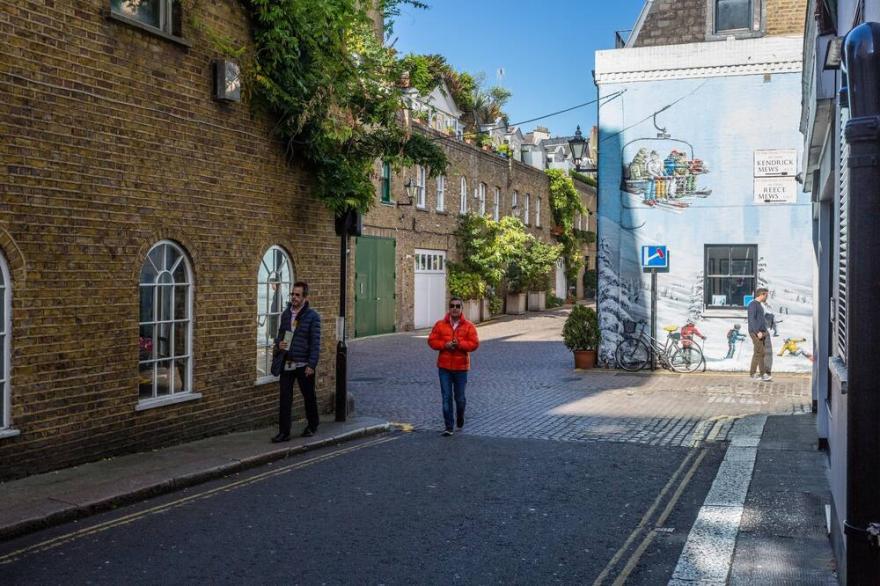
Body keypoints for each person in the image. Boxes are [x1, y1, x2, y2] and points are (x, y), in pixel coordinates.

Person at [271, 281, 322, 442]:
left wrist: (311, 365)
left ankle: (312, 425)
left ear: (305, 297)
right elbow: (280, 335)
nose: (294, 297)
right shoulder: (286, 314)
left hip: (303, 364)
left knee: (309, 396)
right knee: (285, 398)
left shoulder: (312, 317)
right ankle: (284, 432)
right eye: (292, 294)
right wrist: (279, 344)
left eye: (297, 295)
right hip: (287, 362)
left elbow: (315, 343)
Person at [427, 296, 480, 436]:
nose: (454, 308)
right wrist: (445, 345)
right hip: (444, 367)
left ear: (462, 309)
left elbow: (474, 344)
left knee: (460, 399)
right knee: (446, 397)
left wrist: (460, 345)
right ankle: (448, 427)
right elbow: (432, 341)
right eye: (452, 306)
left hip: (461, 368)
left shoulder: (469, 326)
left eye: (457, 306)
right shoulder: (440, 324)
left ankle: (460, 416)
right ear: (449, 308)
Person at [748, 288, 772, 381]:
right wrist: (757, 332)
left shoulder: (758, 305)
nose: (767, 297)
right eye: (766, 295)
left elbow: (760, 320)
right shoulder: (753, 305)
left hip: (761, 333)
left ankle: (757, 374)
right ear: (761, 295)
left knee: (759, 353)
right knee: (760, 353)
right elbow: (752, 319)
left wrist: (764, 331)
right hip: (755, 333)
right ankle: (758, 374)